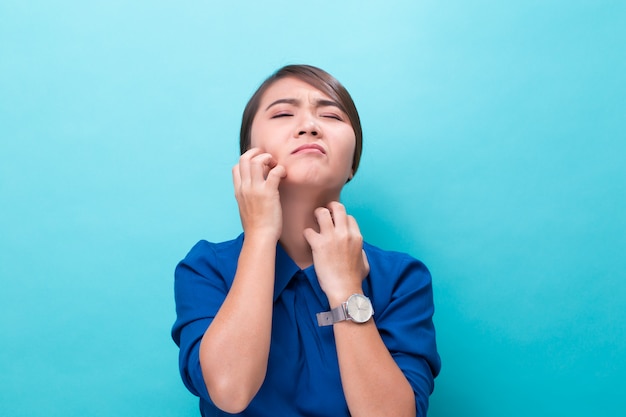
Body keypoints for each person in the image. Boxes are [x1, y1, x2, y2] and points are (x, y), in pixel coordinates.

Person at [171, 64, 441, 417]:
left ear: (352, 165)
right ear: (250, 155)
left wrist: (347, 290)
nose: (309, 126)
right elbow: (229, 392)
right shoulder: (206, 269)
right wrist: (260, 234)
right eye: (283, 113)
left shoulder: (401, 279)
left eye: (331, 115)